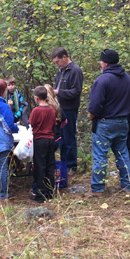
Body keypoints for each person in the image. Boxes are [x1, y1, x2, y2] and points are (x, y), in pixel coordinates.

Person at [87, 49, 130, 197]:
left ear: (105, 63)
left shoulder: (102, 80)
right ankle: (127, 186)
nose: (100, 64)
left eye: (101, 61)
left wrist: (91, 116)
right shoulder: (127, 79)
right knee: (123, 154)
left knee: (100, 156)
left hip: (105, 124)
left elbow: (95, 105)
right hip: (123, 122)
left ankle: (97, 189)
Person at [52, 47, 84, 175]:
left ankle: (72, 165)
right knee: (61, 138)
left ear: (65, 57)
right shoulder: (60, 71)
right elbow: (56, 86)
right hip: (59, 107)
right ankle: (64, 164)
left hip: (69, 109)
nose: (56, 64)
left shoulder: (75, 71)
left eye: (58, 61)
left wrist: (58, 92)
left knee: (69, 137)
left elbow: (76, 91)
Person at [29, 86, 56, 203]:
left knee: (40, 168)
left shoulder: (36, 111)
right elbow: (54, 124)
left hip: (39, 140)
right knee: (50, 167)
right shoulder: (51, 110)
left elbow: (31, 124)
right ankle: (50, 192)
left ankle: (40, 194)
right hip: (50, 140)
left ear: (36, 98)